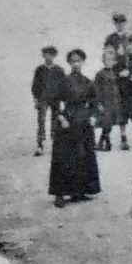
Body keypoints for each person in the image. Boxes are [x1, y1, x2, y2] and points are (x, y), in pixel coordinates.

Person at [48, 49, 102, 208]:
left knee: (84, 155)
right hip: (68, 121)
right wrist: (61, 117)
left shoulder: (87, 82)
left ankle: (80, 190)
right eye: (73, 61)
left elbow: (95, 102)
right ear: (69, 63)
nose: (76, 64)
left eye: (79, 61)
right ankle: (60, 194)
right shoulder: (63, 81)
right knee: (64, 157)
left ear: (83, 62)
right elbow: (55, 103)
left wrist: (93, 116)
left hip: (84, 121)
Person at [31, 45, 66, 157]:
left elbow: (63, 85)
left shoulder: (59, 70)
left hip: (55, 99)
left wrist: (63, 99)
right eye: (46, 54)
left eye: (50, 55)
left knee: (55, 121)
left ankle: (56, 144)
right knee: (41, 121)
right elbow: (35, 86)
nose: (48, 57)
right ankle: (40, 145)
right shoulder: (40, 70)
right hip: (43, 99)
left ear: (54, 56)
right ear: (43, 56)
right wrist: (36, 99)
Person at [94, 41, 123, 151]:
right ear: (103, 60)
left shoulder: (114, 73)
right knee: (106, 122)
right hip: (104, 102)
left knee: (109, 123)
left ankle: (104, 142)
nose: (108, 62)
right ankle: (105, 142)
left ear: (114, 61)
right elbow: (96, 90)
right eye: (106, 60)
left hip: (114, 102)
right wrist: (98, 103)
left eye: (111, 60)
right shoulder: (100, 74)